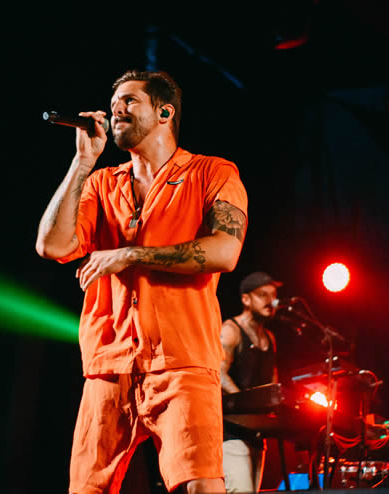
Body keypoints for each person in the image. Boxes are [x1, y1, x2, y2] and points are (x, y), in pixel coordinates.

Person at [36, 70, 248, 494]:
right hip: (109, 365)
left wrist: (132, 254)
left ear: (164, 113)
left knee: (201, 487)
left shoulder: (212, 172)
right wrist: (82, 162)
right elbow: (52, 245)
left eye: (130, 101)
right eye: (114, 103)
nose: (116, 109)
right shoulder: (101, 182)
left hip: (183, 363)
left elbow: (225, 251)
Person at [220, 271, 281, 493]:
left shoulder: (269, 338)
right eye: (263, 295)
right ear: (246, 299)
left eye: (273, 295)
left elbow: (272, 381)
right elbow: (218, 372)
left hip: (256, 433)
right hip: (231, 431)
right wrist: (245, 403)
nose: (271, 301)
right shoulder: (231, 330)